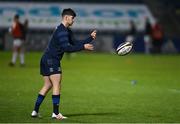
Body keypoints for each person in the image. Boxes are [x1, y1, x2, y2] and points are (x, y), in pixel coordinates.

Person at [31, 8, 97, 120]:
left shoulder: (65, 30)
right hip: (52, 59)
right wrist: (83, 47)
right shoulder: (62, 31)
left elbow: (76, 43)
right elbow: (67, 48)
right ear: (66, 17)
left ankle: (35, 111)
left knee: (47, 85)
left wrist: (90, 38)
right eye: (72, 18)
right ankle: (56, 113)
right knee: (57, 84)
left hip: (45, 58)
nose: (73, 20)